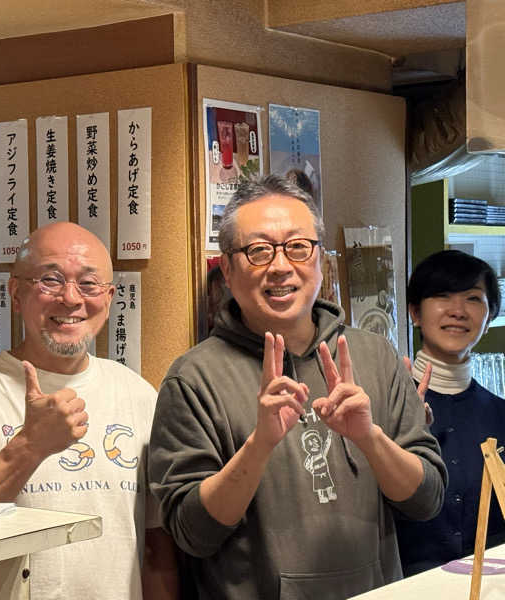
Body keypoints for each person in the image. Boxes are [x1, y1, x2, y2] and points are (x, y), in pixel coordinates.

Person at [148, 174, 446, 599]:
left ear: (320, 260)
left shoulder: (375, 355)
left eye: (298, 247)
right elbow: (192, 533)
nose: (281, 266)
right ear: (227, 270)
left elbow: (426, 500)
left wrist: (370, 438)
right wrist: (259, 445)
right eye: (258, 251)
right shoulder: (193, 379)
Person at [0, 221, 178, 600]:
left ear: (108, 298)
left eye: (89, 284)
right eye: (50, 280)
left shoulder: (136, 393)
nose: (70, 298)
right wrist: (30, 447)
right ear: (15, 293)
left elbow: (156, 540)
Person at [396, 250, 505, 576]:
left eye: (473, 298)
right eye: (442, 295)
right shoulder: (384, 408)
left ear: (490, 317)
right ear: (415, 312)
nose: (458, 311)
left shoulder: (500, 413)